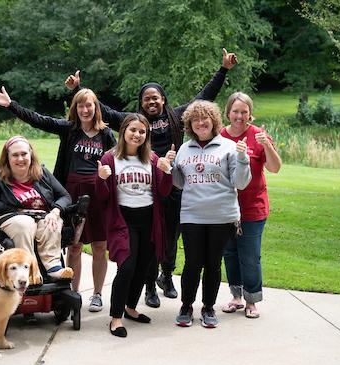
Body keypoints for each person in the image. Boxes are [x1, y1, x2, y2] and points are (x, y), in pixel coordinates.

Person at [65, 48, 238, 308]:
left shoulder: (177, 116)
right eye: (146, 99)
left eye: (155, 98)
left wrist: (223, 69)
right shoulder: (133, 122)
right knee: (148, 240)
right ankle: (148, 288)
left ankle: (166, 275)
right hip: (144, 189)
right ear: (141, 103)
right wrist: (79, 90)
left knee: (170, 237)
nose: (151, 103)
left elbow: (205, 96)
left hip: (171, 185)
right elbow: (101, 111)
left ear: (163, 100)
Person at [0, 87, 116, 312]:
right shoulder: (70, 129)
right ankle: (70, 292)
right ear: (75, 109)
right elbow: (39, 120)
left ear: (96, 108)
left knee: (99, 246)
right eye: (80, 105)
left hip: (98, 191)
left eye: (89, 105)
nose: (85, 110)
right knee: (74, 246)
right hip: (72, 190)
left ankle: (96, 294)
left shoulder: (106, 134)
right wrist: (11, 105)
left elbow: (115, 162)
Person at [172, 100, 251, 328]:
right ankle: (186, 306)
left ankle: (208, 307)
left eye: (204, 118)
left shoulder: (228, 147)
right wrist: (170, 169)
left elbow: (241, 182)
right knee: (192, 263)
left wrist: (243, 159)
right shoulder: (184, 149)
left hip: (222, 216)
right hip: (192, 216)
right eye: (195, 119)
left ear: (214, 120)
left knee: (213, 264)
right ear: (189, 124)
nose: (200, 123)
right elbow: (179, 183)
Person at [95, 114, 173, 337]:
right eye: (133, 130)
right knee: (127, 267)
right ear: (123, 131)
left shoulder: (153, 158)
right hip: (123, 220)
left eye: (142, 132)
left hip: (149, 219)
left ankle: (130, 307)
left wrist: (167, 172)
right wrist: (100, 179)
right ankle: (116, 317)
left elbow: (164, 191)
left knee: (143, 267)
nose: (137, 135)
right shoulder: (110, 159)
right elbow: (102, 197)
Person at [220, 92, 282, 318]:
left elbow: (275, 168)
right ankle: (236, 297)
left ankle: (252, 300)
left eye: (244, 112)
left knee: (250, 255)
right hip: (225, 208)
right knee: (230, 253)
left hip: (253, 208)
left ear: (250, 114)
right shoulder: (220, 136)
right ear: (228, 113)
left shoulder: (258, 135)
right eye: (235, 111)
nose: (239, 116)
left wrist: (267, 146)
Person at [0, 136, 73, 280]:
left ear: (30, 154)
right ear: (7, 158)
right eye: (15, 155)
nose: (20, 159)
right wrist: (19, 209)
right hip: (10, 217)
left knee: (51, 223)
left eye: (24, 154)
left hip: (41, 216)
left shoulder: (41, 173)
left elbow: (65, 196)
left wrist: (55, 211)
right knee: (25, 223)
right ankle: (29, 271)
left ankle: (53, 267)